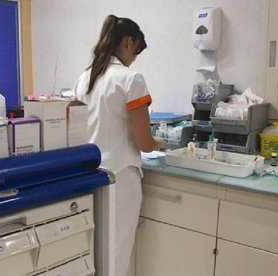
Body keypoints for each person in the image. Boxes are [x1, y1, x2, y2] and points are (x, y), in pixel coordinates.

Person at [74, 14, 167, 276]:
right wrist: (157, 142)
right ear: (128, 42)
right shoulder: (131, 79)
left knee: (94, 252)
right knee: (117, 254)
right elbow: (144, 143)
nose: (134, 58)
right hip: (120, 179)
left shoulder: (85, 78)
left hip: (89, 176)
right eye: (136, 52)